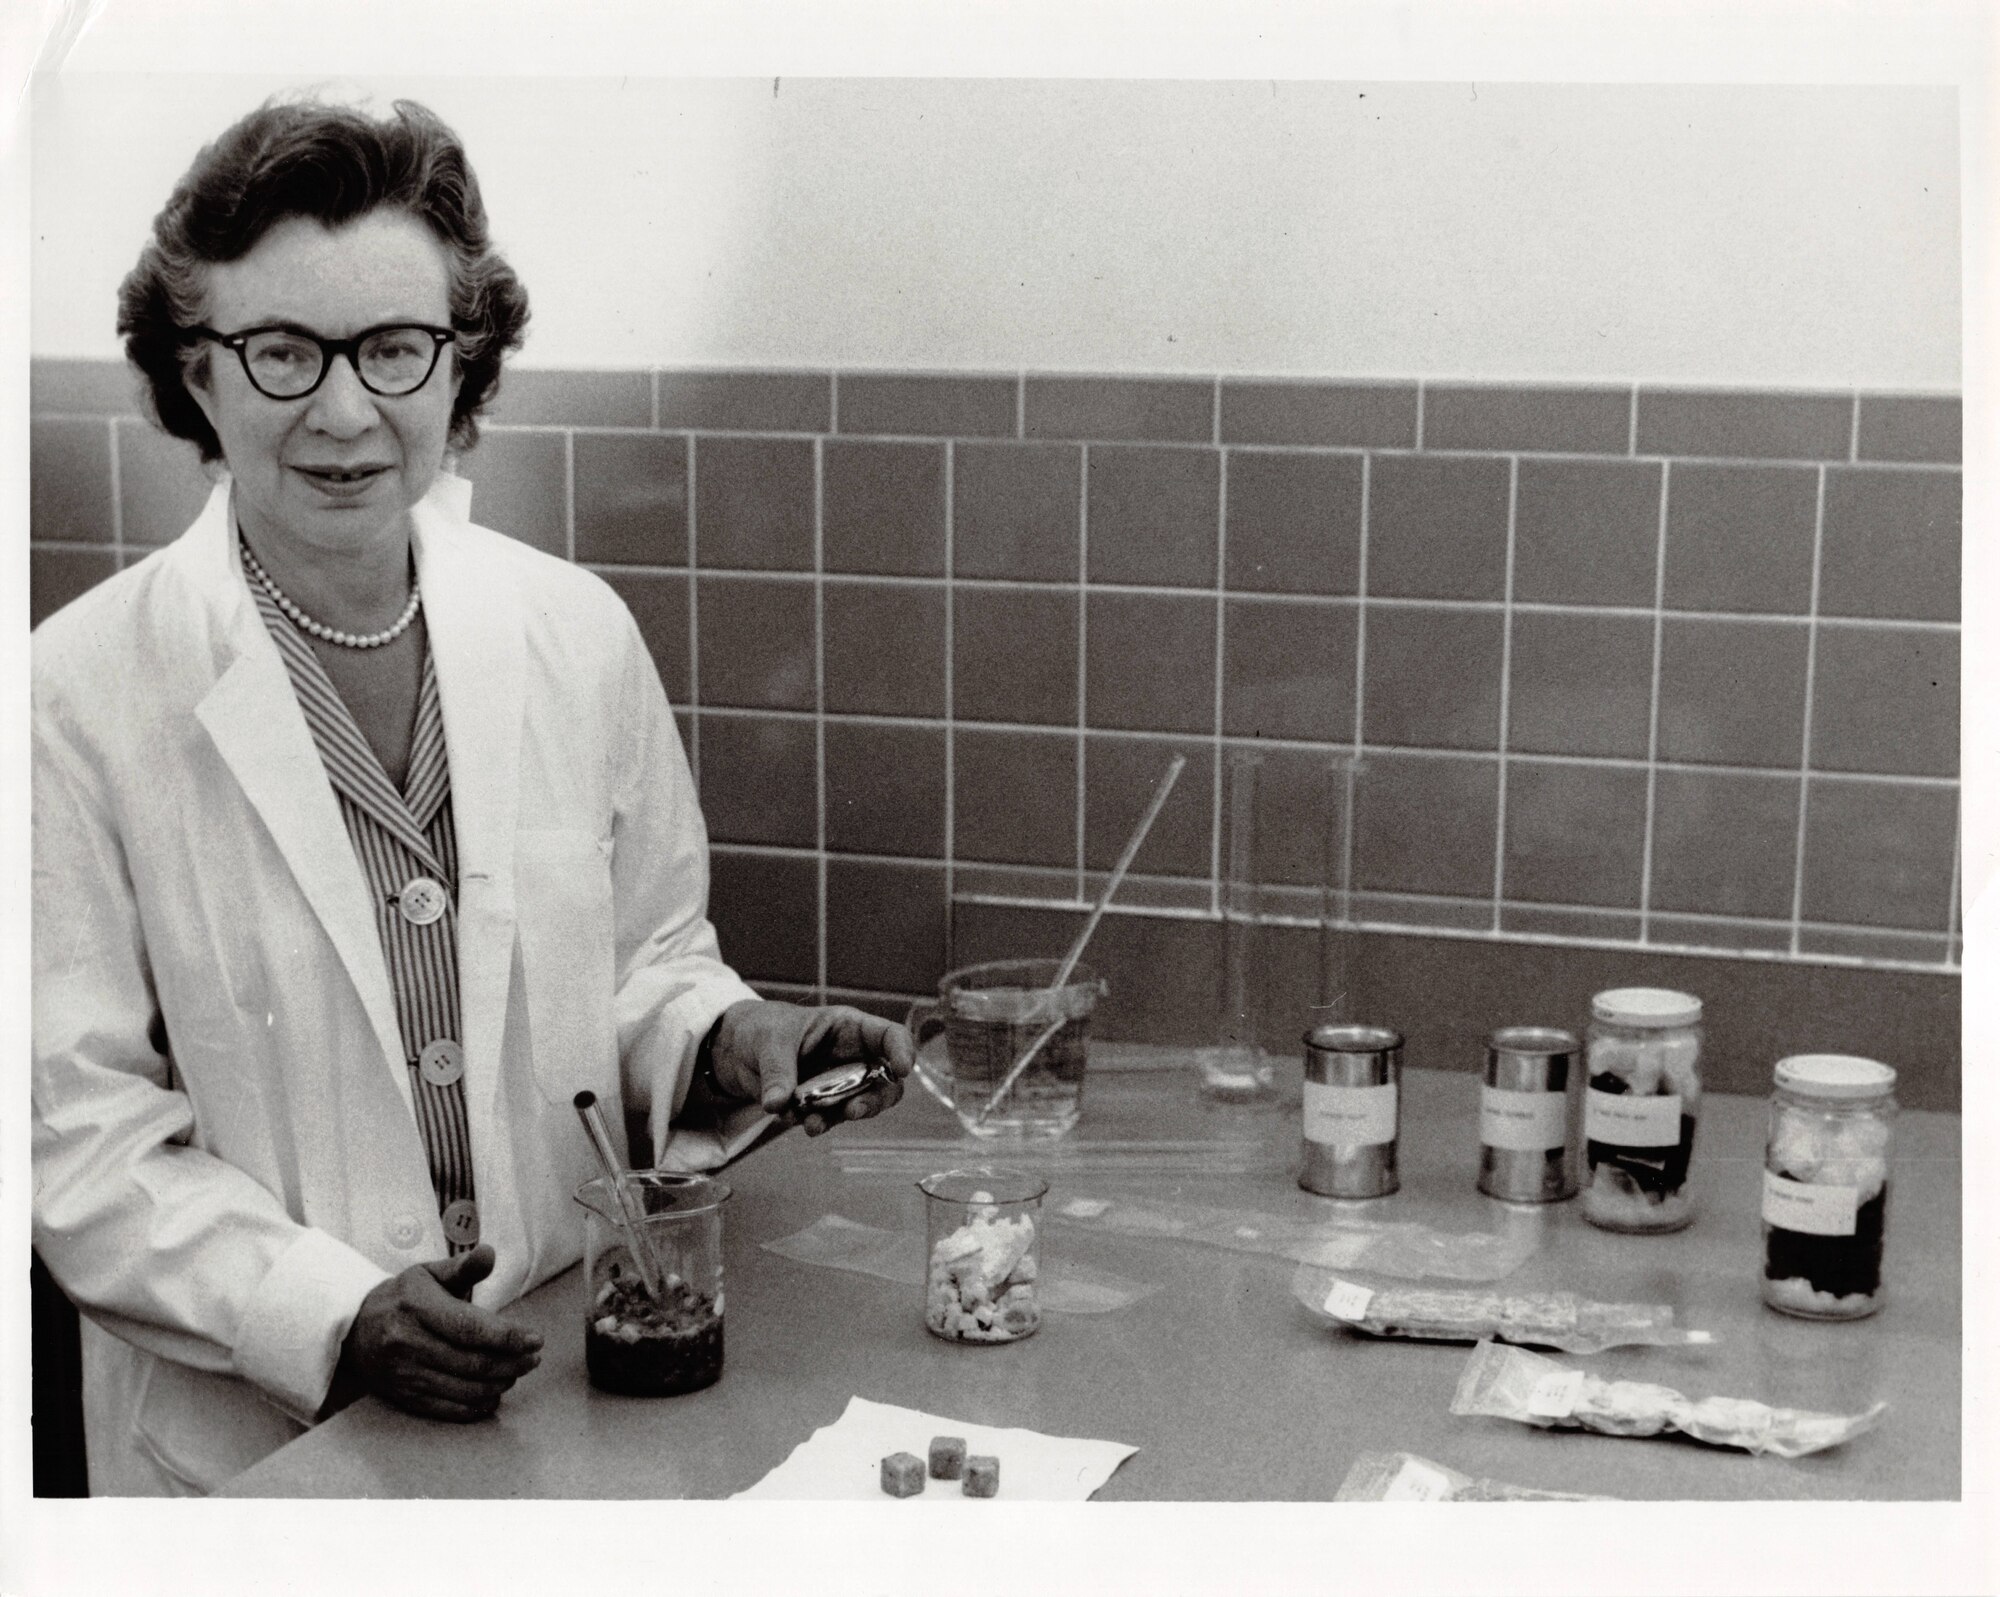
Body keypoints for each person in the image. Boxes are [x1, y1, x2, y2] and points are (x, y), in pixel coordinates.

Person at [31, 96, 912, 1496]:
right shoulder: (68, 695)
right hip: (254, 1447)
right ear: (194, 377)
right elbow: (70, 1131)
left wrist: (731, 1033)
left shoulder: (576, 633)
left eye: (393, 349)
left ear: (463, 370)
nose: (343, 411)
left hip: (555, 1378)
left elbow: (643, 961)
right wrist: (331, 1312)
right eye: (278, 353)